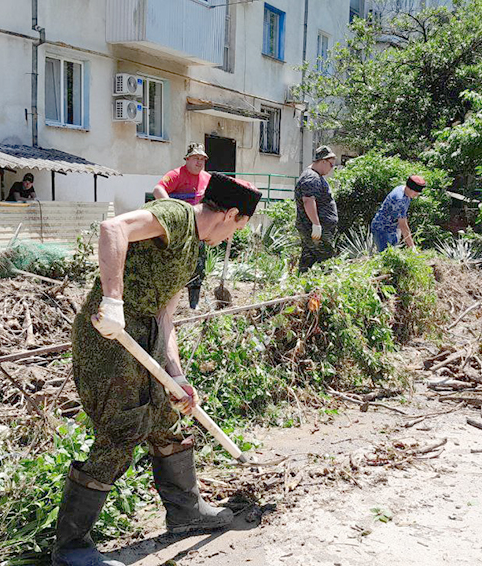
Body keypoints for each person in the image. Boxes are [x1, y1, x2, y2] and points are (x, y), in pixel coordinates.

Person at [52, 174, 262, 566]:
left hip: (146, 336)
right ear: (231, 213)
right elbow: (112, 228)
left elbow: (166, 315)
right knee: (121, 431)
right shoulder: (176, 216)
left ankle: (185, 512)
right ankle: (71, 548)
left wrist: (177, 375)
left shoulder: (197, 248)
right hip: (108, 336)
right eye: (240, 226)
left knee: (167, 419)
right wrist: (113, 301)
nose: (235, 234)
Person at [153, 143, 212, 308]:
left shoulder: (207, 178)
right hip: (178, 230)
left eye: (202, 159)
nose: (199, 162)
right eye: (195, 158)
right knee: (174, 266)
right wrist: (172, 211)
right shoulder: (176, 175)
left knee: (198, 266)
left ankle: (194, 305)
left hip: (198, 229)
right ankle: (167, 305)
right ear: (187, 159)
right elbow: (158, 190)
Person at [294, 145, 339, 274]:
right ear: (323, 161)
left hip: (313, 228)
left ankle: (302, 287)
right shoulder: (311, 177)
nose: (332, 168)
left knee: (308, 259)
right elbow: (308, 201)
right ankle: (328, 290)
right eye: (331, 165)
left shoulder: (314, 176)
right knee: (327, 260)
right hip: (315, 229)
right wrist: (316, 224)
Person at [371, 175, 426, 251]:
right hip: (382, 229)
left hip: (393, 229)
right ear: (409, 188)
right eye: (416, 192)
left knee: (393, 255)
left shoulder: (403, 190)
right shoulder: (399, 199)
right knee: (386, 257)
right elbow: (403, 226)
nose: (417, 195)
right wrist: (412, 248)